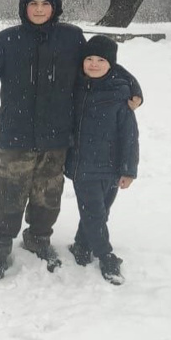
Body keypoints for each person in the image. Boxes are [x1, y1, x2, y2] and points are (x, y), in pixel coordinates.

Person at [0, 0, 142, 280]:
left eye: (44, 3)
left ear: (55, 7)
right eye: (32, 3)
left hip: (56, 136)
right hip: (14, 134)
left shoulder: (71, 38)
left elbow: (103, 61)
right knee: (8, 194)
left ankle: (38, 240)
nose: (38, 9)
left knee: (47, 196)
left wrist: (134, 88)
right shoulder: (7, 40)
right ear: (24, 7)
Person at [65, 35, 139, 285]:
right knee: (94, 213)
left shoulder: (121, 95)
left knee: (99, 211)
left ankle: (81, 245)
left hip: (111, 168)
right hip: (82, 166)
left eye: (100, 60)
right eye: (88, 59)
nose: (93, 64)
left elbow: (129, 136)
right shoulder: (74, 88)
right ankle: (106, 256)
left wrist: (128, 169)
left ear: (111, 65)